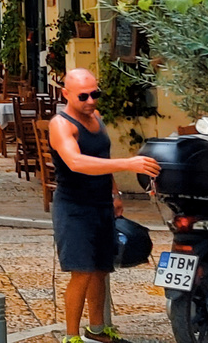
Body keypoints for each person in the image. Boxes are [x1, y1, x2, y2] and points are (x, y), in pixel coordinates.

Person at [48, 67, 161, 343]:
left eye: (95, 94)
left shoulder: (96, 117)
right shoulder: (61, 124)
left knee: (100, 268)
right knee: (82, 270)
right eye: (83, 96)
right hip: (74, 206)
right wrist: (127, 163)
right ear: (66, 94)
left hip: (101, 203)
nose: (90, 101)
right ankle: (71, 337)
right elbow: (76, 162)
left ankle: (97, 331)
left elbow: (100, 157)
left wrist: (115, 194)